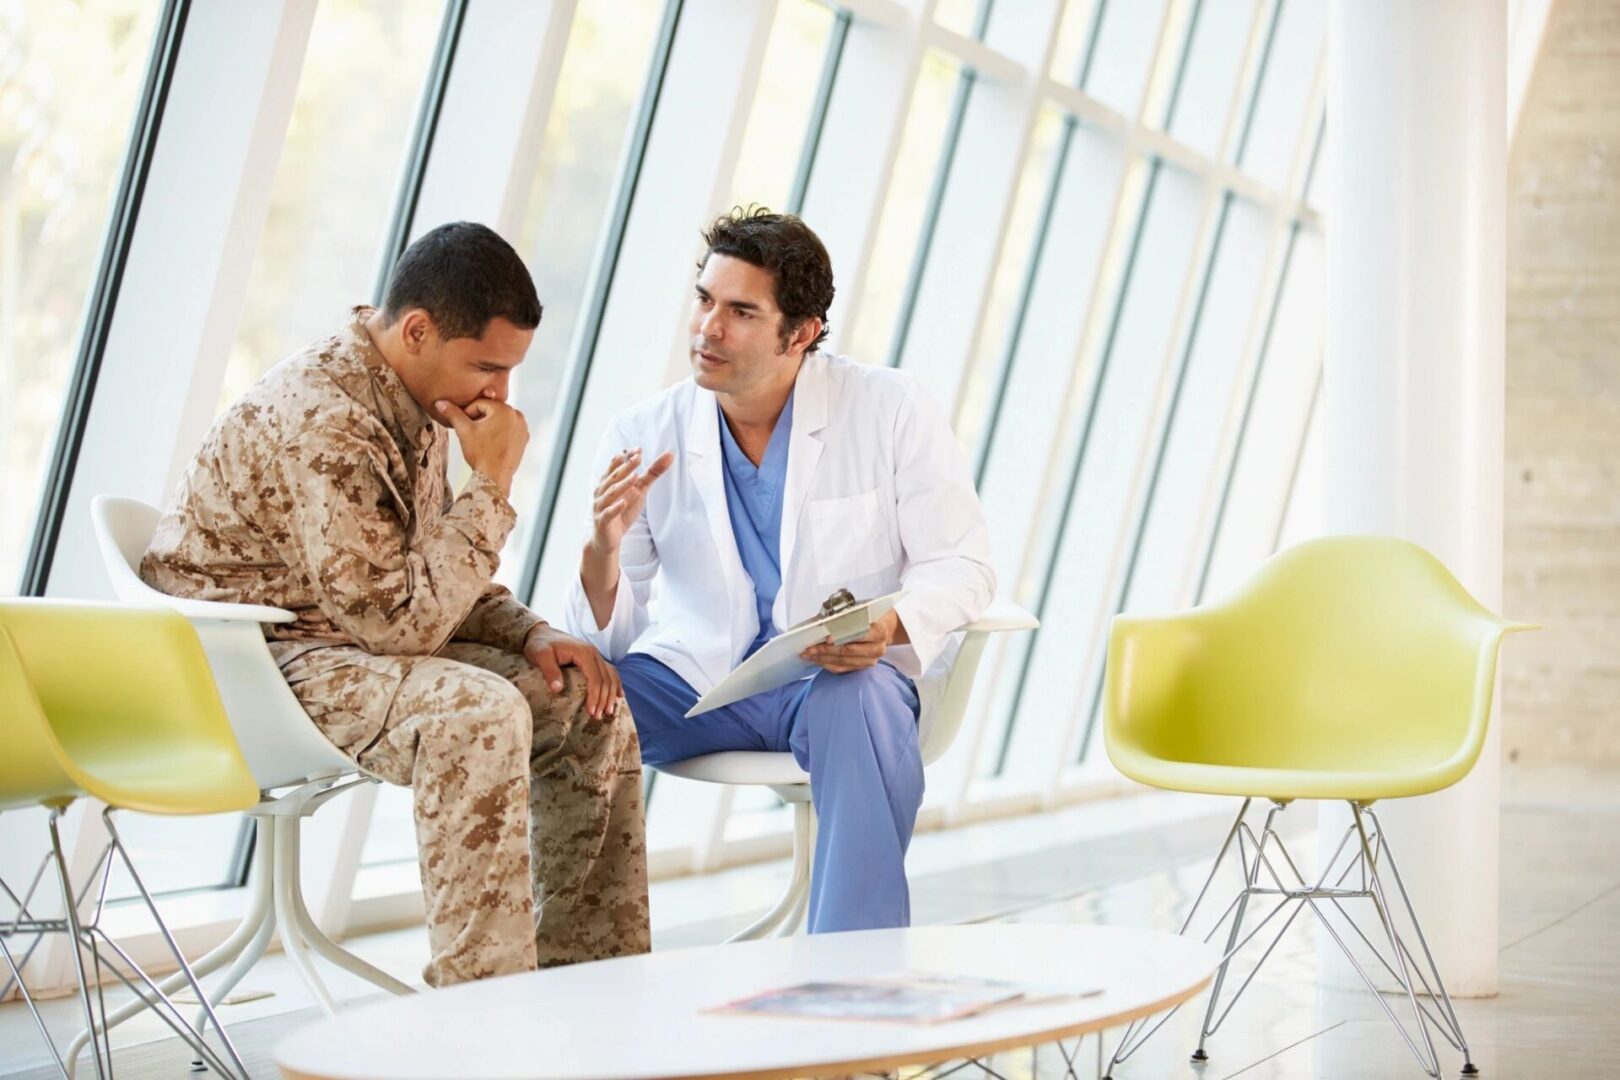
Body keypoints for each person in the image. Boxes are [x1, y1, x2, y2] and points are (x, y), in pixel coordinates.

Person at [143, 222, 648, 987]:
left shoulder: (420, 399)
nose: (499, 395)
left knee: (583, 699)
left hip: (343, 639)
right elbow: (400, 624)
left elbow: (423, 577)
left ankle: (595, 989)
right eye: (487, 367)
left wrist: (532, 633)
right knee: (474, 713)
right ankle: (484, 1014)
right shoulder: (327, 421)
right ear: (416, 331)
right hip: (250, 661)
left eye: (509, 371)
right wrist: (491, 486)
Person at [565, 207, 994, 932]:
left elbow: (962, 564)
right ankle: (580, 958)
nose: (708, 329)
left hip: (833, 680)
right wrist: (601, 550)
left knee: (858, 698)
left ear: (801, 333)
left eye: (740, 312)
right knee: (570, 702)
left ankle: (853, 972)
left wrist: (887, 625)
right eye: (704, 300)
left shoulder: (889, 408)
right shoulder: (644, 432)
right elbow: (609, 639)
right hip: (699, 684)